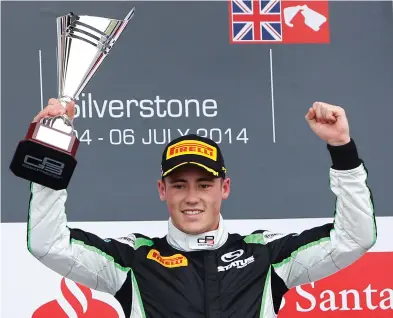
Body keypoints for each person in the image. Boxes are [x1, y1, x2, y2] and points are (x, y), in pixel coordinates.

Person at [27, 98, 377, 318]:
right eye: (179, 185)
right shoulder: (134, 260)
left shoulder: (264, 255)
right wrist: (49, 155)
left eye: (204, 185)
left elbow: (354, 238)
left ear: (224, 188)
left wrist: (342, 150)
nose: (192, 197)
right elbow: (49, 244)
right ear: (162, 190)